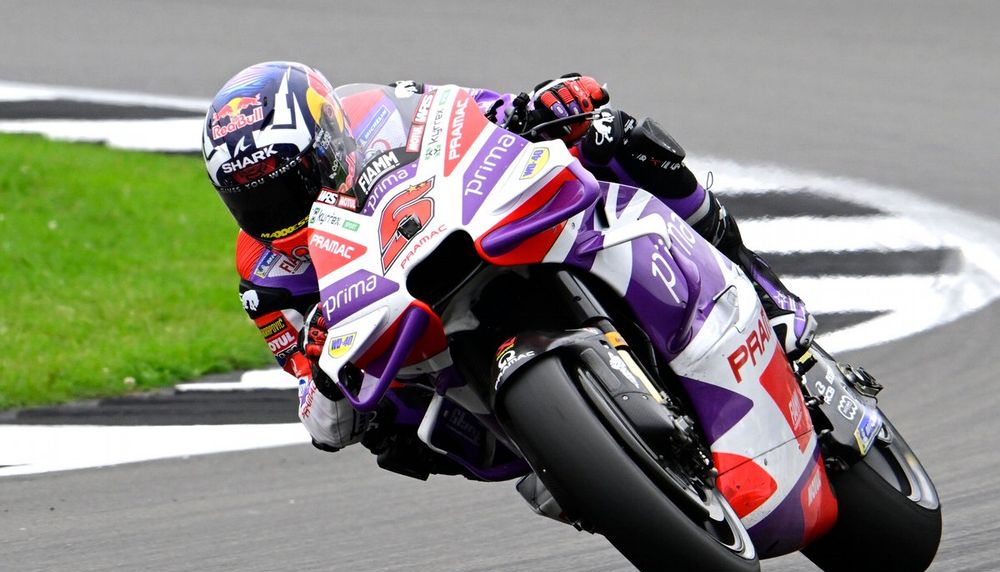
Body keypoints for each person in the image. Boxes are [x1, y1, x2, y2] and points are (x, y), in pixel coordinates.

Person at [202, 61, 816, 472]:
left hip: (471, 226)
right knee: (391, 432)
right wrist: (322, 372)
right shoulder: (265, 274)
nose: (276, 210)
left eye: (286, 185)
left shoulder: (375, 112)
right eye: (252, 199)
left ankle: (765, 295)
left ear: (327, 141)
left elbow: (472, 116)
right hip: (417, 346)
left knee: (610, 136)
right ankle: (575, 469)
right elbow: (319, 414)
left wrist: (544, 106)